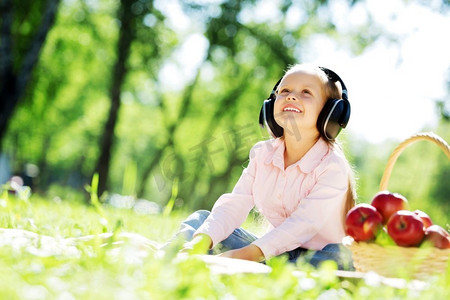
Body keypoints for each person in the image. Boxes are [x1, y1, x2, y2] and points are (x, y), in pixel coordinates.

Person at [166, 64, 356, 269]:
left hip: (317, 257)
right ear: (271, 104)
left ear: (331, 113)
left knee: (341, 258)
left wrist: (243, 256)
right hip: (271, 252)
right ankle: (168, 255)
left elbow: (302, 225)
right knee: (203, 221)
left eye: (306, 92)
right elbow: (235, 204)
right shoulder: (262, 154)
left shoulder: (332, 166)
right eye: (285, 91)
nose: (292, 96)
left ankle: (260, 270)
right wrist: (200, 243)